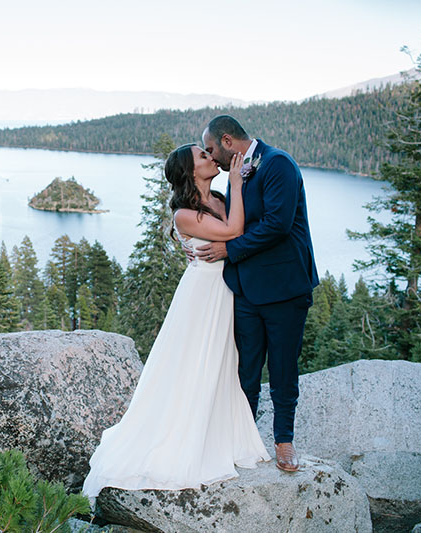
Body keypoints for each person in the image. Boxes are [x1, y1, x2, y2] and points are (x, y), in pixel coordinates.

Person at [82, 144, 270, 502]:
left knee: (220, 364)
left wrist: (235, 188)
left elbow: (240, 232)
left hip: (225, 291)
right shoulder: (184, 213)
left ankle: (219, 436)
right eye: (203, 156)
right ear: (189, 171)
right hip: (202, 295)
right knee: (192, 365)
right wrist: (238, 181)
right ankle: (181, 439)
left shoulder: (216, 197)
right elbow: (234, 229)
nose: (210, 158)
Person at [198, 115, 319, 472]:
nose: (211, 158)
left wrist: (229, 251)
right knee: (245, 370)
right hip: (245, 289)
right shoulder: (236, 175)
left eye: (210, 149)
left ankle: (284, 442)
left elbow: (277, 225)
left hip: (284, 288)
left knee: (282, 368)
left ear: (227, 141)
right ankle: (243, 439)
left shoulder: (277, 163)